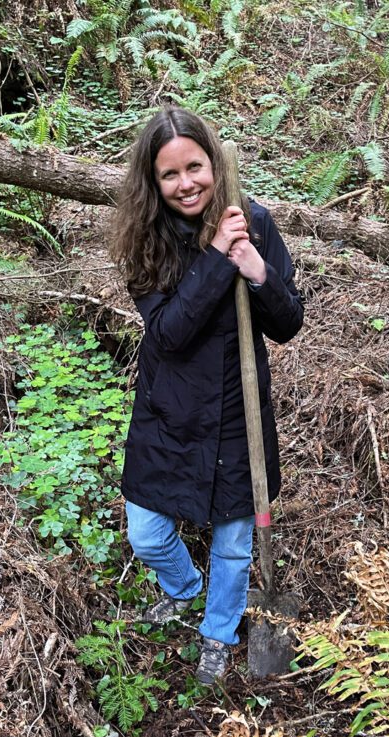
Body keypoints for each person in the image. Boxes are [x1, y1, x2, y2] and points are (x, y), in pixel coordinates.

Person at [110, 106, 304, 685]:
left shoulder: (256, 222)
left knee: (233, 540)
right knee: (145, 532)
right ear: (152, 182)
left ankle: (218, 631)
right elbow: (168, 333)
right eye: (170, 175)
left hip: (237, 410)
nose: (186, 183)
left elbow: (288, 323)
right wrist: (218, 256)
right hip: (168, 409)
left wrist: (258, 270)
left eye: (194, 166)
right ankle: (183, 587)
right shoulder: (144, 238)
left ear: (213, 162)